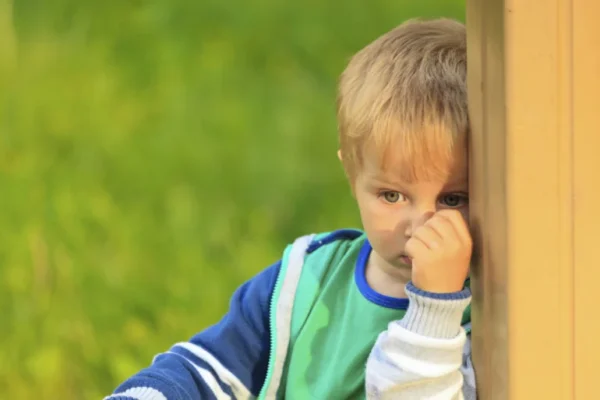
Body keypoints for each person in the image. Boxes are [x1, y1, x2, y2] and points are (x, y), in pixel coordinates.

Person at [106, 17, 476, 400]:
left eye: (453, 200)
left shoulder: (486, 319)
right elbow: (206, 370)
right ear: (351, 176)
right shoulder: (305, 279)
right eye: (392, 196)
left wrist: (434, 311)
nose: (419, 228)